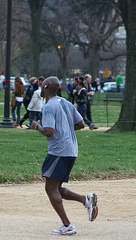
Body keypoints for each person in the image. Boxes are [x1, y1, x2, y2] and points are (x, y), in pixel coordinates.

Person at [30, 76, 98, 235]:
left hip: (58, 151)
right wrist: (66, 131)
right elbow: (81, 124)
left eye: (42, 84)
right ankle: (85, 199)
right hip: (71, 150)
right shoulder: (66, 102)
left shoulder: (48, 107)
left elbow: (49, 131)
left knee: (50, 188)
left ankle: (67, 225)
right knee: (57, 188)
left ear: (45, 86)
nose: (40, 87)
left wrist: (36, 127)